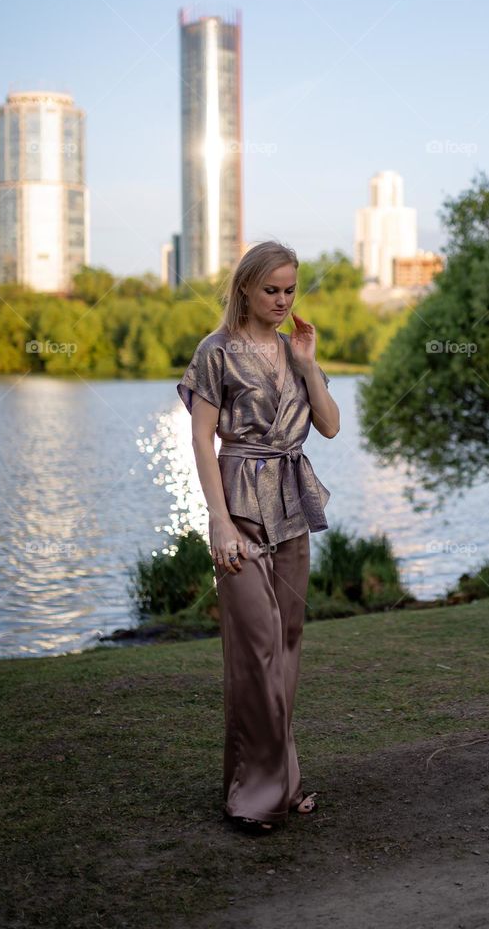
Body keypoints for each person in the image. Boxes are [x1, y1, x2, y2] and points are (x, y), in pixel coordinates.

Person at [176, 240, 340, 835]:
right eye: (271, 289)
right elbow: (201, 440)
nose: (282, 300)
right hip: (239, 502)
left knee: (289, 640)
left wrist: (306, 363)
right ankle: (256, 795)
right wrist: (218, 520)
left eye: (290, 289)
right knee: (256, 645)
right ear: (245, 287)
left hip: (292, 502)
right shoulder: (215, 352)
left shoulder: (292, 347)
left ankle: (277, 778)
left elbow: (330, 425)